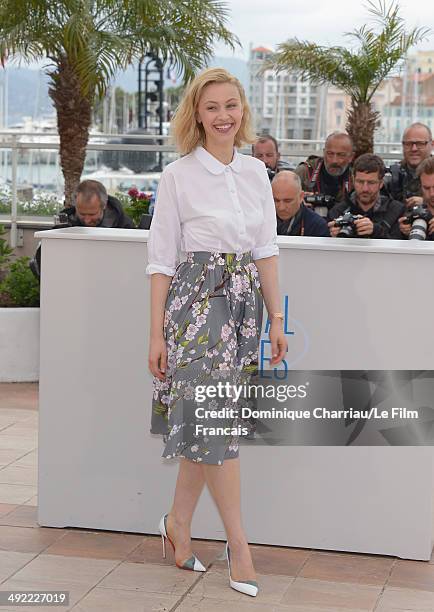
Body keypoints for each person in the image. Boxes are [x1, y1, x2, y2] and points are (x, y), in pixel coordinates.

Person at [146, 67, 287, 598]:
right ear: (196, 115)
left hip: (243, 308)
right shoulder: (178, 175)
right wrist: (155, 334)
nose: (224, 115)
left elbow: (266, 250)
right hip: (196, 308)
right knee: (215, 426)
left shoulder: (255, 173)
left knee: (208, 427)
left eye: (232, 105)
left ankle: (177, 525)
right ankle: (240, 546)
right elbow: (160, 260)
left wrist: (276, 320)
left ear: (242, 110)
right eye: (212, 107)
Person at [30, 180, 135, 280]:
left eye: (92, 214)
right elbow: (45, 261)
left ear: (104, 206)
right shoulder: (64, 224)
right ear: (76, 205)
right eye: (82, 214)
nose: (87, 220)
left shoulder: (124, 225)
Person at [328, 154, 404, 239]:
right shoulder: (338, 211)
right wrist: (333, 237)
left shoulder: (396, 210)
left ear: (381, 183)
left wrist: (376, 231)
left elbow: (399, 248)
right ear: (353, 180)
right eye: (360, 182)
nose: (365, 189)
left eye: (371, 183)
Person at [296, 132, 355, 216]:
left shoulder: (356, 177)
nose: (334, 161)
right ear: (324, 153)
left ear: (351, 157)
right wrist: (297, 201)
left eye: (341, 155)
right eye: (330, 154)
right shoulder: (305, 172)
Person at [383, 122, 433, 208]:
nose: (414, 149)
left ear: (432, 145)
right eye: (408, 144)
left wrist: (427, 202)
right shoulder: (392, 176)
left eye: (420, 144)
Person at [272, 171, 330, 236]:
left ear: (301, 197)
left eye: (287, 201)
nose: (281, 207)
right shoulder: (261, 220)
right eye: (276, 200)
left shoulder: (317, 226)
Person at [398, 156, 434, 240]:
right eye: (426, 188)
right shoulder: (413, 211)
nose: (432, 193)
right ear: (420, 186)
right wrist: (403, 233)